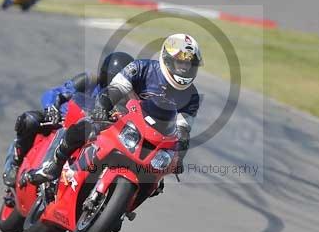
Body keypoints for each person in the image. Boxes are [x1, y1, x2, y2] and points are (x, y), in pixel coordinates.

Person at [24, 33, 202, 191]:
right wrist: (102, 108)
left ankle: (126, 207)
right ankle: (53, 166)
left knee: (157, 181)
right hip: (121, 120)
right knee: (85, 126)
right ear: (168, 58)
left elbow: (183, 129)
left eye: (190, 64)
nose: (185, 68)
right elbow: (116, 88)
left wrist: (179, 157)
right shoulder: (142, 67)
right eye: (181, 62)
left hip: (152, 137)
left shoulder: (191, 95)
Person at [2, 51, 134, 187]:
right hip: (61, 120)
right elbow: (56, 92)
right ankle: (14, 162)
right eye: (113, 79)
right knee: (30, 120)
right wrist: (51, 108)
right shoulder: (89, 80)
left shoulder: (126, 101)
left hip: (89, 134)